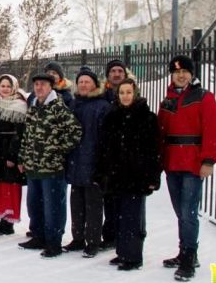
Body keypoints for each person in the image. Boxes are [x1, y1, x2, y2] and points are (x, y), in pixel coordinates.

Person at [158, 55, 216, 281]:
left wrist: (209, 160)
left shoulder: (204, 97)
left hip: (193, 163)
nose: (180, 75)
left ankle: (189, 258)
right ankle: (185, 251)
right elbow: (161, 131)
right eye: (176, 72)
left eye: (184, 71)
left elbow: (212, 129)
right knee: (179, 211)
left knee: (188, 212)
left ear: (192, 74)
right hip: (172, 162)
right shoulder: (167, 99)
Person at [94, 78, 161, 271]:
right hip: (116, 176)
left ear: (135, 93)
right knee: (118, 217)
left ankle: (133, 256)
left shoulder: (147, 118)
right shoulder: (112, 117)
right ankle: (122, 252)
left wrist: (152, 177)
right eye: (122, 92)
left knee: (133, 218)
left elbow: (153, 151)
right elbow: (104, 148)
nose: (125, 96)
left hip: (137, 176)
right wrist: (101, 173)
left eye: (128, 92)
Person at [17, 72, 82, 258]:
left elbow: (75, 132)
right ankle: (38, 236)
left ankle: (53, 241)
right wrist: (23, 158)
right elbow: (27, 136)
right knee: (34, 204)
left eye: (43, 85)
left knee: (53, 206)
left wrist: (57, 149)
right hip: (33, 167)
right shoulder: (33, 106)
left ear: (50, 87)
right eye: (36, 84)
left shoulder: (58, 107)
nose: (39, 88)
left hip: (52, 168)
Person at [64, 67, 110, 257]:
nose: (83, 85)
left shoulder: (102, 106)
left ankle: (93, 241)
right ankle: (77, 238)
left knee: (93, 205)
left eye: (87, 82)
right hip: (75, 162)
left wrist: (101, 162)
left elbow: (105, 138)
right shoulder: (74, 105)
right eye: (80, 82)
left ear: (94, 85)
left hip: (93, 162)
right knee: (76, 203)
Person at [0, 74, 27, 236]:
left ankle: (8, 222)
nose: (5, 89)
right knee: (0, 187)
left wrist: (12, 155)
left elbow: (19, 134)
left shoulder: (19, 106)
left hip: (9, 151)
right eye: (2, 86)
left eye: (8, 86)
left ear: (14, 88)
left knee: (10, 187)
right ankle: (2, 218)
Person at [101, 58, 133, 250]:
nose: (116, 74)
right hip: (108, 155)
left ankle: (129, 238)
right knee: (109, 199)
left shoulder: (131, 95)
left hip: (128, 157)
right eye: (113, 71)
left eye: (120, 71)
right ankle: (110, 235)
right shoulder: (102, 96)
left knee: (129, 203)